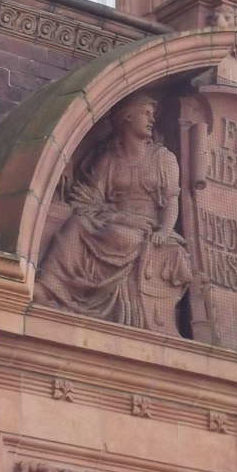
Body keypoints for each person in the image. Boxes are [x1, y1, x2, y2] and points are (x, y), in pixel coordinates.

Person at [34, 94, 191, 335]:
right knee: (76, 225)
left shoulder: (163, 159)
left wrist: (165, 230)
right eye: (145, 113)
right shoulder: (110, 160)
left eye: (152, 115)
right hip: (116, 219)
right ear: (127, 116)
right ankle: (49, 286)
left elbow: (171, 201)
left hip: (148, 226)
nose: (151, 119)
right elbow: (92, 198)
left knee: (121, 236)